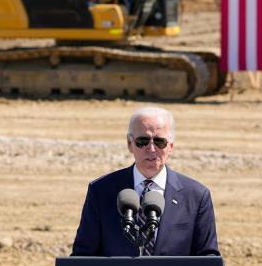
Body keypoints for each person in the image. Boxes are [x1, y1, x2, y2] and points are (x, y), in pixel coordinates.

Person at [71, 106, 219, 257]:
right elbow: (82, 256)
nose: (152, 148)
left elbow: (208, 261)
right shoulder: (101, 191)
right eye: (143, 141)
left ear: (171, 147)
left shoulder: (196, 196)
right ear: (129, 144)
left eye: (160, 141)